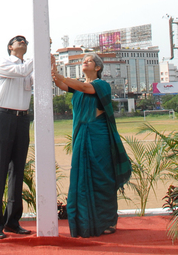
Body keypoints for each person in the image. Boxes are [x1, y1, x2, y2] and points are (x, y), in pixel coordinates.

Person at [51, 52, 132, 238]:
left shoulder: (101, 85)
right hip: (82, 135)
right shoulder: (78, 87)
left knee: (102, 177)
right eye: (83, 61)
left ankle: (108, 221)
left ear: (98, 67)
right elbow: (60, 84)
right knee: (81, 177)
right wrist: (53, 67)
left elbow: (83, 87)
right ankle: (84, 223)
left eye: (89, 61)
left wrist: (61, 76)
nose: (85, 62)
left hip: (98, 136)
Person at [0, 35, 33, 239]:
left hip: (22, 119)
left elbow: (37, 78)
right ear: (10, 46)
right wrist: (40, 54)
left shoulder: (28, 66)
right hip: (4, 117)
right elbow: (22, 71)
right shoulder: (4, 63)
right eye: (18, 40)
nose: (23, 42)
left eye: (25, 41)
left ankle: (12, 221)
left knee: (18, 171)